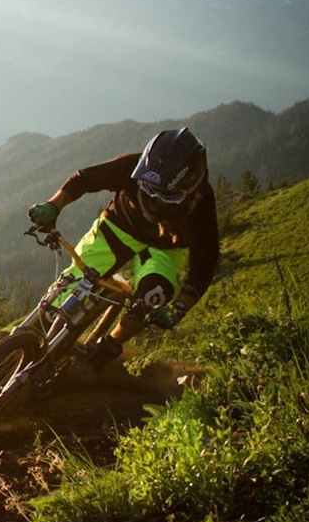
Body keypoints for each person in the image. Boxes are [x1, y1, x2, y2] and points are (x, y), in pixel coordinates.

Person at [27, 127, 220, 370]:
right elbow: (85, 179)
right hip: (118, 226)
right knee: (70, 287)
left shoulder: (202, 204)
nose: (153, 199)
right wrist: (53, 206)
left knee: (151, 298)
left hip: (166, 248)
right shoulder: (133, 165)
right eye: (146, 188)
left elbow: (205, 262)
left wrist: (179, 308)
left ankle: (110, 345)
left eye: (164, 196)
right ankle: (30, 335)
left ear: (189, 189)